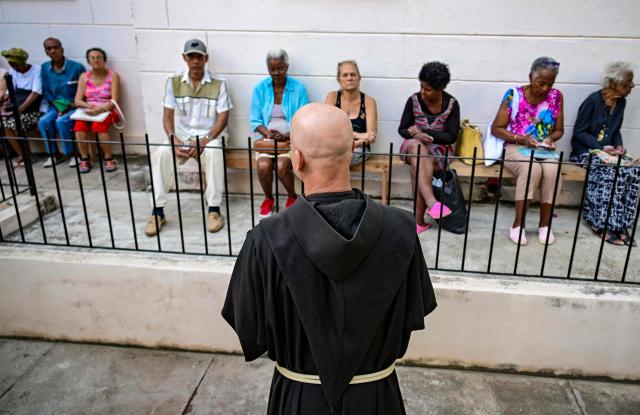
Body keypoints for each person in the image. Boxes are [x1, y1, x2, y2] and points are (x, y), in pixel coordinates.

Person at [222, 103, 437, 414]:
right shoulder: (401, 231)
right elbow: (412, 316)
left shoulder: (265, 240)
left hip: (299, 401)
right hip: (376, 400)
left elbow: (250, 330)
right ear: (351, 151)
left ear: (295, 158)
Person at [144, 39, 232, 237]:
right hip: (182, 137)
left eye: (199, 56)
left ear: (205, 59)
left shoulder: (219, 84)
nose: (195, 61)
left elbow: (223, 118)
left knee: (214, 153)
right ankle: (157, 212)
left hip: (208, 137)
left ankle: (214, 210)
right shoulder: (173, 82)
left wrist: (206, 140)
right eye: (191, 56)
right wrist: (173, 138)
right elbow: (167, 116)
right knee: (160, 154)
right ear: (184, 58)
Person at [491, 57, 565, 245]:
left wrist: (550, 139)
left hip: (543, 149)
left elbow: (559, 130)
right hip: (516, 146)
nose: (545, 89)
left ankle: (545, 225)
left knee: (553, 171)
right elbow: (496, 128)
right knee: (532, 169)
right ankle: (518, 225)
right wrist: (521, 138)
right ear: (531, 77)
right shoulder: (513, 95)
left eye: (550, 84)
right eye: (541, 83)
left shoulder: (556, 96)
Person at [571, 62, 637, 246]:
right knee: (609, 172)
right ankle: (600, 223)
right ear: (613, 83)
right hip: (584, 152)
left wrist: (619, 147)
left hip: (608, 153)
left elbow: (616, 130)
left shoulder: (621, 102)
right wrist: (600, 147)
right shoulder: (593, 101)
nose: (632, 86)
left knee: (632, 171)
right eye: (627, 84)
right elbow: (579, 132)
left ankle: (620, 224)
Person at [398, 62, 460, 234]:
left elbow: (451, 136)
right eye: (421, 87)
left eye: (428, 89)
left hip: (439, 151)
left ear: (440, 89)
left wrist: (425, 131)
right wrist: (415, 135)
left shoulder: (452, 104)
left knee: (419, 167)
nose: (423, 92)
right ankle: (432, 202)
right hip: (412, 146)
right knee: (418, 149)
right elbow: (402, 129)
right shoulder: (414, 100)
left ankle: (417, 221)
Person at [250, 49, 308, 218]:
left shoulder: (298, 89)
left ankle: (292, 197)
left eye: (280, 68)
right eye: (272, 69)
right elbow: (255, 120)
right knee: (263, 165)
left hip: (291, 138)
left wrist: (286, 135)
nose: (276, 73)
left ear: (287, 66)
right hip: (267, 139)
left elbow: (303, 118)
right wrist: (267, 133)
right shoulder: (260, 88)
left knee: (282, 166)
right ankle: (268, 199)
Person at [39, 37, 85, 168]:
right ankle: (54, 154)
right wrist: (58, 107)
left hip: (74, 105)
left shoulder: (77, 67)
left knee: (61, 121)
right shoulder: (45, 68)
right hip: (56, 106)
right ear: (46, 52)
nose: (53, 51)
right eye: (49, 48)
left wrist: (68, 107)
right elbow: (46, 91)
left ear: (62, 49)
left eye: (55, 47)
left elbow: (84, 90)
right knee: (44, 121)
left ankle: (73, 154)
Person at [73, 47, 120, 173]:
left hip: (107, 110)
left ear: (104, 60)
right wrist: (90, 108)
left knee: (99, 126)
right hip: (89, 110)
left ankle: (108, 157)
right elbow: (77, 100)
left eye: (99, 58)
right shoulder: (84, 77)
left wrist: (100, 110)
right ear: (88, 61)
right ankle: (84, 158)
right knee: (79, 126)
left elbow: (114, 100)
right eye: (92, 58)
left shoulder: (112, 76)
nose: (96, 61)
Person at [324, 60, 377, 165]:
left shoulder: (368, 101)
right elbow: (326, 130)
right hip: (334, 147)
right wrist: (358, 135)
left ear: (359, 78)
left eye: (353, 74)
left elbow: (371, 136)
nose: (349, 78)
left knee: (341, 158)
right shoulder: (332, 97)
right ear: (338, 79)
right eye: (345, 75)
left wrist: (354, 143)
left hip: (358, 148)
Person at [0, 48, 42, 167]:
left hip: (31, 108)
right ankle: (22, 154)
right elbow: (10, 90)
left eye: (16, 64)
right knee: (4, 124)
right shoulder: (12, 71)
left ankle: (28, 155)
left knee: (17, 123)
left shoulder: (36, 70)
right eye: (11, 65)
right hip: (17, 105)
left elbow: (35, 93)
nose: (14, 67)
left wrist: (21, 109)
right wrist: (4, 105)